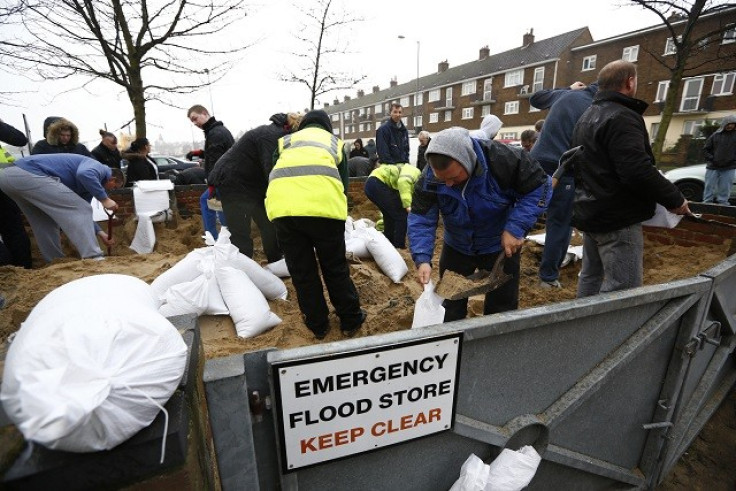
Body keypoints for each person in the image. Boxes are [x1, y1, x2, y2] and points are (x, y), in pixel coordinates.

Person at [571, 60, 690, 298]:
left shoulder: (586, 116)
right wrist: (674, 199)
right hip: (618, 217)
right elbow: (636, 169)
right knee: (622, 289)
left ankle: (580, 329)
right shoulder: (623, 117)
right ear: (630, 82)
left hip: (591, 211)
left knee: (590, 276)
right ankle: (611, 334)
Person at [409, 127, 552, 322]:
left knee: (502, 308)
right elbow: (422, 218)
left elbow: (540, 187)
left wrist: (515, 228)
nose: (449, 184)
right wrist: (423, 258)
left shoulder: (504, 160)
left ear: (467, 161)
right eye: (443, 180)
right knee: (449, 305)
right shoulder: (429, 178)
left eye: (454, 178)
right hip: (457, 245)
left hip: (499, 245)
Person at [265, 110, 365, 340]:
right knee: (335, 267)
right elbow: (343, 184)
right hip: (324, 212)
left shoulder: (285, 142)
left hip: (284, 212)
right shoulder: (334, 143)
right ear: (327, 126)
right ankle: (350, 320)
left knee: (302, 271)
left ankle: (318, 324)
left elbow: (275, 172)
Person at [530, 80, 598, 289]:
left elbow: (536, 98)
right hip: (563, 167)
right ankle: (548, 277)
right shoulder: (596, 107)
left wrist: (568, 89)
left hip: (534, 163)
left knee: (521, 212)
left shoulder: (566, 95)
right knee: (560, 223)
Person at [208, 112, 301, 262]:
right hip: (233, 182)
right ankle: (244, 270)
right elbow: (270, 169)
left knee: (268, 223)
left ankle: (275, 259)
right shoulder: (271, 136)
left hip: (251, 184)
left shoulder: (276, 132)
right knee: (240, 230)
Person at [0, 153, 124, 262]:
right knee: (82, 208)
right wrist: (104, 199)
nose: (111, 190)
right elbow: (84, 174)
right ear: (112, 179)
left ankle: (55, 261)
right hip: (27, 173)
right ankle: (94, 257)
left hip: (7, 177)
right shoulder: (100, 168)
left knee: (44, 222)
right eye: (114, 187)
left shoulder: (87, 188)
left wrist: (100, 233)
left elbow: (81, 216)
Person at [187, 104, 234, 240]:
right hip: (224, 179)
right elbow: (217, 153)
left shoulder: (215, 134)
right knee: (218, 207)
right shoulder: (216, 131)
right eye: (192, 122)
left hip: (221, 181)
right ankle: (224, 237)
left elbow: (216, 161)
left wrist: (212, 185)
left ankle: (215, 238)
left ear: (204, 113)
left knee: (212, 204)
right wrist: (201, 153)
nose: (195, 123)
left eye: (195, 119)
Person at [364, 163, 421, 248]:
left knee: (389, 216)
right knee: (401, 215)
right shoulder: (415, 173)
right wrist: (407, 206)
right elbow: (403, 182)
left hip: (371, 185)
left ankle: (388, 242)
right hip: (377, 182)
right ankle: (399, 246)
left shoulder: (415, 181)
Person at [0, 119, 32, 270]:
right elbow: (19, 139)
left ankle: (16, 271)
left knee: (13, 229)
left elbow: (20, 139)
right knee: (13, 229)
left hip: (4, 183)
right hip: (4, 181)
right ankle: (20, 270)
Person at [702, 114, 736, 204]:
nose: (730, 126)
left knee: (725, 187)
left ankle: (723, 204)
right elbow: (706, 149)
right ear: (724, 124)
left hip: (729, 167)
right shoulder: (715, 135)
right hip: (713, 166)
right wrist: (712, 159)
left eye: (733, 124)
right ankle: (707, 203)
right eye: (728, 124)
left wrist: (733, 161)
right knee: (709, 186)